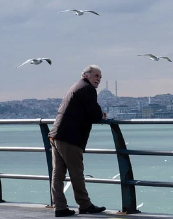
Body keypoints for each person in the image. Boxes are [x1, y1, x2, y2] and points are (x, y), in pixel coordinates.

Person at [48, 65, 107, 217]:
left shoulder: (75, 87)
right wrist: (102, 115)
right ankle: (85, 204)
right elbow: (94, 114)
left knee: (58, 173)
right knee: (76, 172)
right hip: (70, 137)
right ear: (86, 75)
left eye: (100, 76)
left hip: (57, 134)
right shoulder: (87, 89)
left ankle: (60, 207)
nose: (99, 79)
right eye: (96, 75)